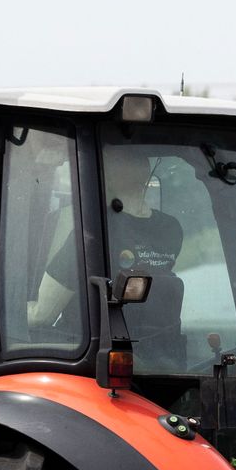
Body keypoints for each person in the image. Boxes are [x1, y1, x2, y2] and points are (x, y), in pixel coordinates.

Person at [31, 144, 186, 363]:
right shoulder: (171, 228)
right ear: (146, 172)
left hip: (91, 360)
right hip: (158, 357)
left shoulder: (94, 230)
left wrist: (9, 320)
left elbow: (43, 314)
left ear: (106, 177)